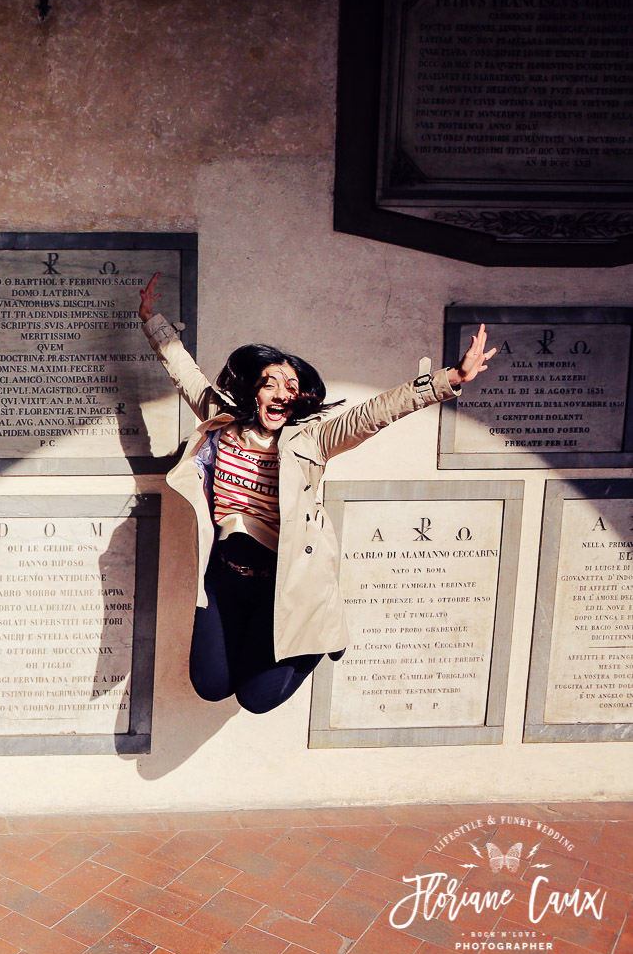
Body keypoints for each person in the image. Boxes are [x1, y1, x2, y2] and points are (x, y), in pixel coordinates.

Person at [138, 275, 494, 713]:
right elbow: (186, 376)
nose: (282, 394)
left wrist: (449, 379)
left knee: (256, 699)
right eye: (271, 383)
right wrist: (153, 322)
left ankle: (317, 639)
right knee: (211, 686)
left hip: (283, 583)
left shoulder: (312, 440)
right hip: (224, 575)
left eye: (291, 388)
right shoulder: (222, 420)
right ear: (253, 387)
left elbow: (373, 413)